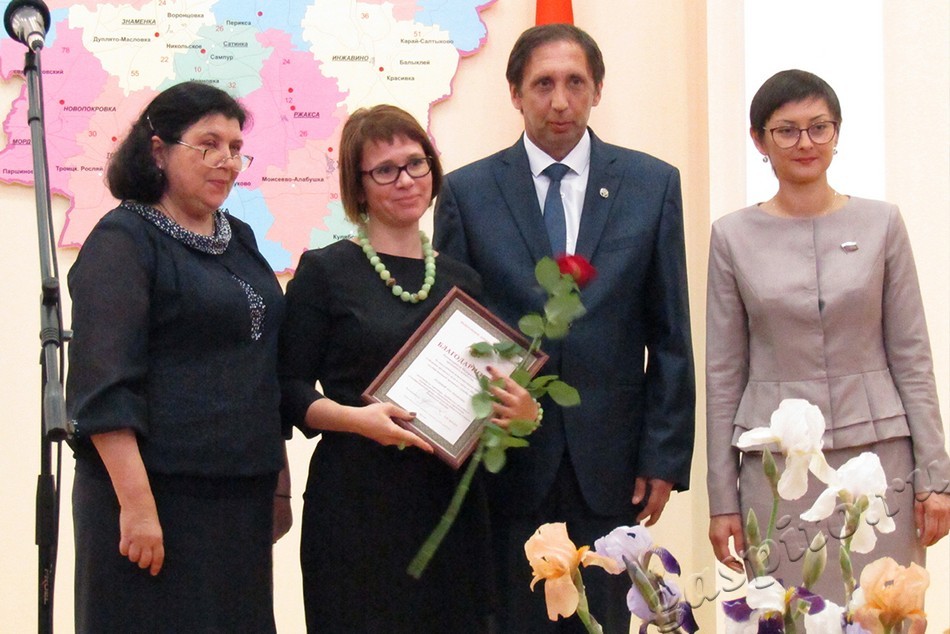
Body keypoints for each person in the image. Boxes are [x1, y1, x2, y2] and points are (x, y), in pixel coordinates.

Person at [434, 24, 695, 632]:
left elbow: (671, 334)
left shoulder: (651, 185)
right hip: (506, 464)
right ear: (515, 93)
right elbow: (451, 333)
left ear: (597, 90)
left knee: (599, 621)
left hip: (611, 466)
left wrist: (663, 456)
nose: (560, 101)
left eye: (575, 83)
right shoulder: (467, 191)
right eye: (543, 84)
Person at [278, 104, 538, 632]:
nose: (405, 180)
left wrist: (522, 415)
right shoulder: (325, 271)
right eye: (385, 170)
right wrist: (357, 420)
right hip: (357, 509)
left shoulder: (463, 281)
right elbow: (286, 389)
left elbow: (487, 405)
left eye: (416, 163)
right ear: (358, 186)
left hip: (451, 512)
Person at [706, 69, 950, 601]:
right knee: (790, 614)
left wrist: (935, 477)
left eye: (819, 127)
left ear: (837, 134)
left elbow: (913, 357)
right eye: (786, 130)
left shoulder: (883, 224)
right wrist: (722, 500)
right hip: (776, 470)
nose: (805, 142)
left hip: (881, 463)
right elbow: (724, 375)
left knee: (884, 611)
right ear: (759, 141)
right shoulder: (731, 236)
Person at [66, 81, 291, 633]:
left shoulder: (239, 237)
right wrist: (138, 507)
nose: (227, 161)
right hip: (153, 502)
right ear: (158, 150)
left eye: (236, 148)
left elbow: (260, 366)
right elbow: (104, 385)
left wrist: (277, 481)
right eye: (208, 144)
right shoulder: (123, 239)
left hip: (238, 503)